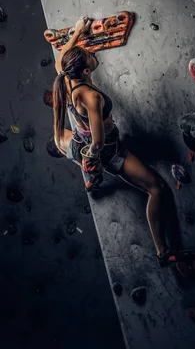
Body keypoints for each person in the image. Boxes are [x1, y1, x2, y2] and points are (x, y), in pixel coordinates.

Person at [51, 16, 172, 265]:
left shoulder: (66, 78)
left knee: (62, 141)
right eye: (89, 55)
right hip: (106, 150)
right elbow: (97, 143)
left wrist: (77, 31)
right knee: (156, 187)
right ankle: (162, 251)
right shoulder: (92, 98)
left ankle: (89, 179)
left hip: (77, 140)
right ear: (86, 70)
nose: (92, 53)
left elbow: (61, 59)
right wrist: (92, 162)